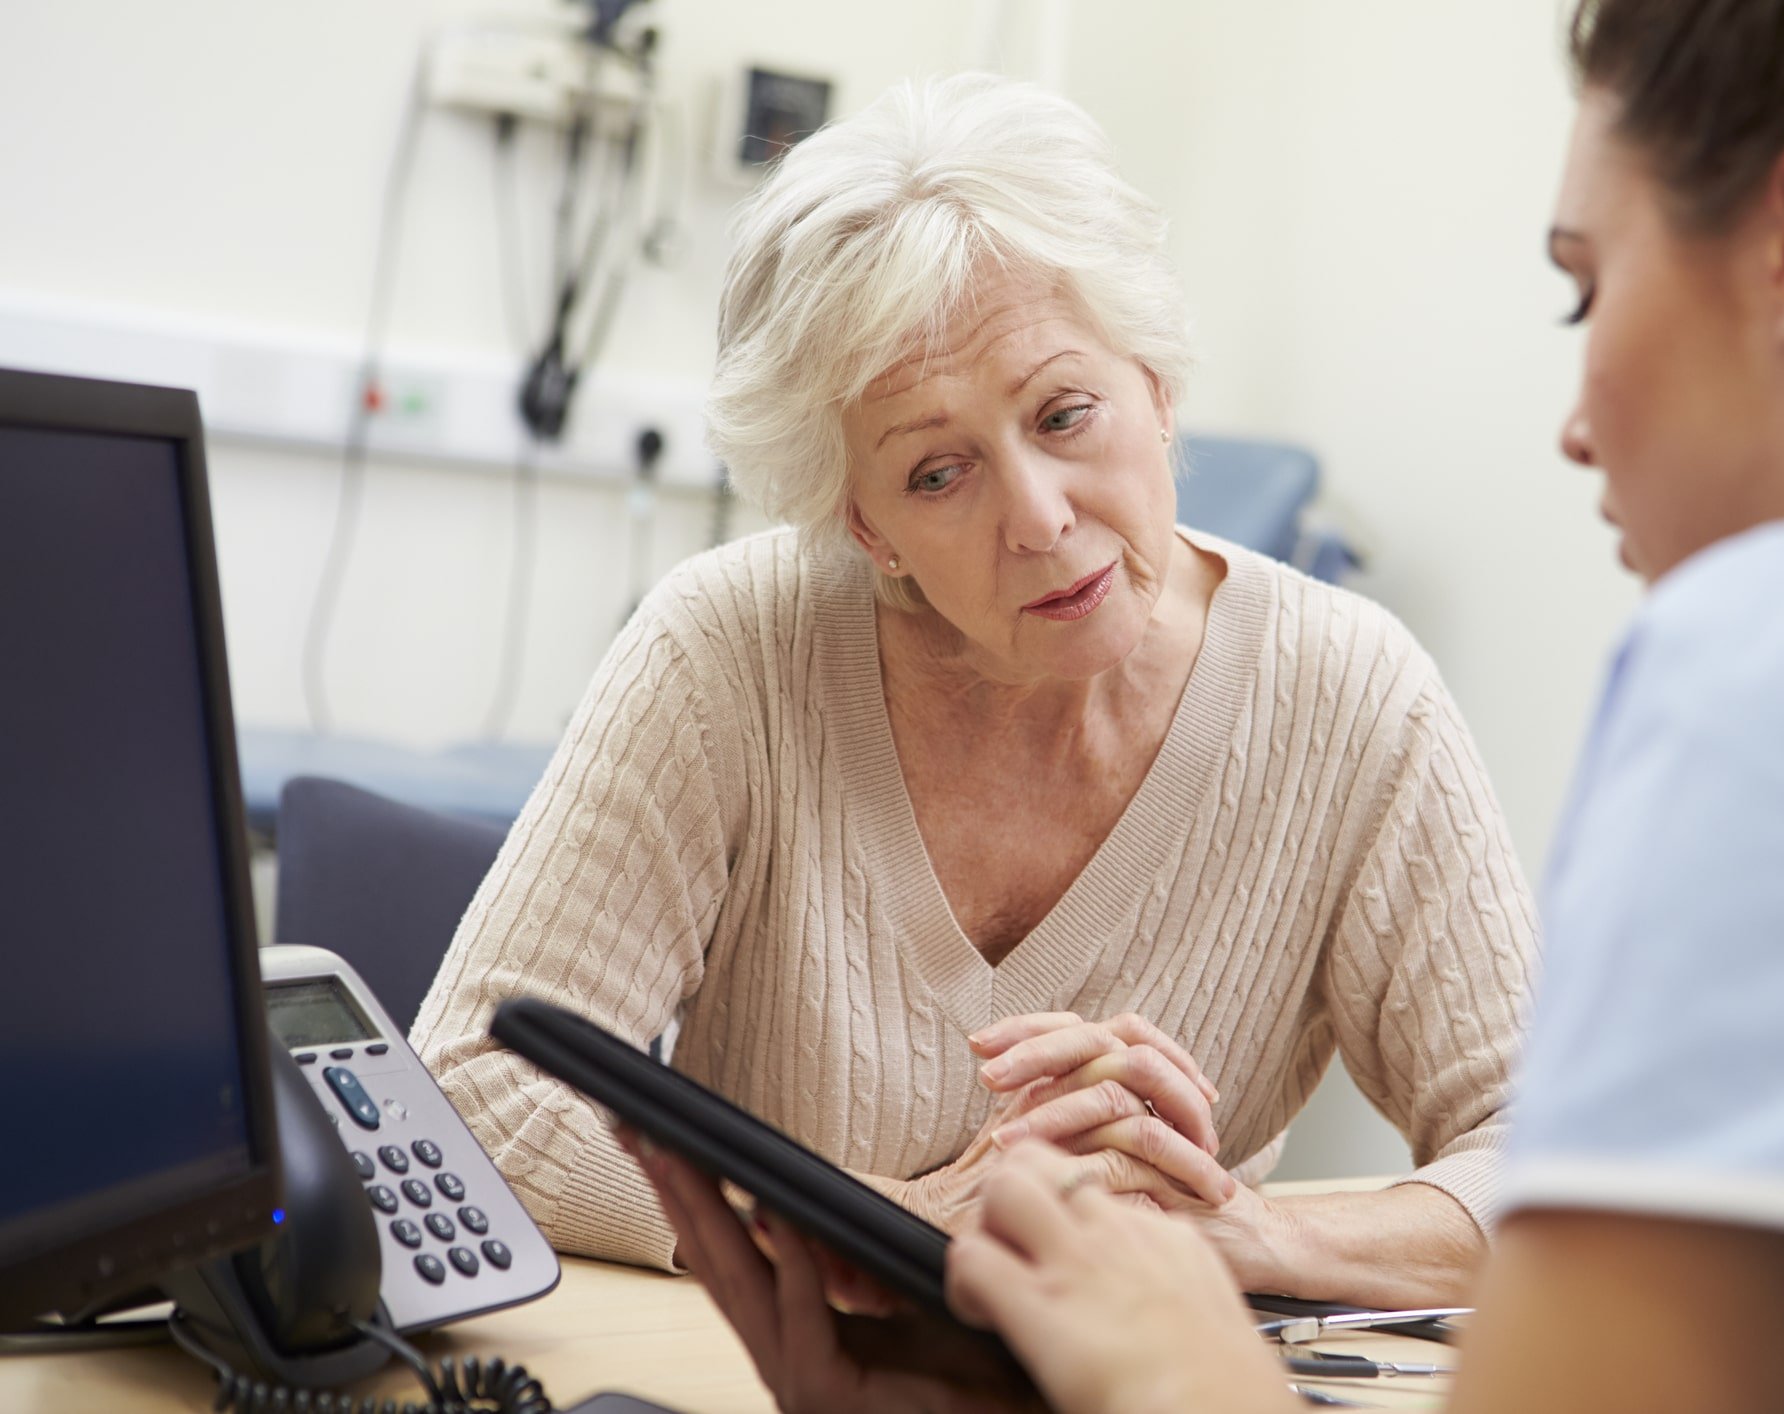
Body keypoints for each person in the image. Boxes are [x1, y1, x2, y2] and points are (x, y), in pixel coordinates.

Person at [634, 2, 1784, 1411]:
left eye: (1580, 284)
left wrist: (1168, 1343)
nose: (1575, 416)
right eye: (936, 470)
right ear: (869, 526)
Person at [411, 72, 1538, 1308]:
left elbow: (1557, 1163)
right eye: (940, 473)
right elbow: (472, 1086)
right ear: (867, 524)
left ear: (1156, 391)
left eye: (1066, 414)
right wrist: (874, 1233)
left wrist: (1245, 1237)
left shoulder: (1354, 698)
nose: (1042, 519)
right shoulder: (728, 652)